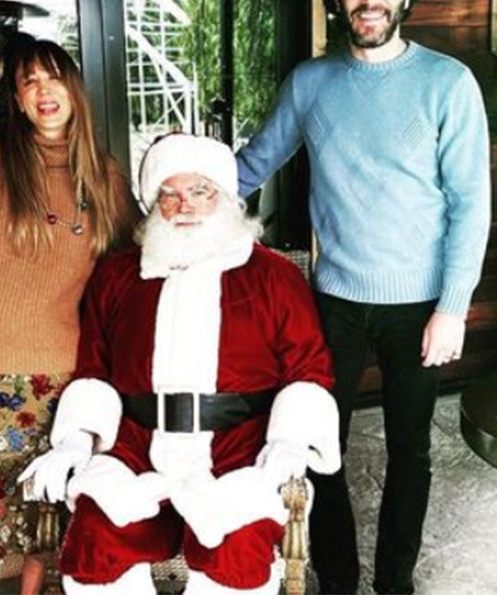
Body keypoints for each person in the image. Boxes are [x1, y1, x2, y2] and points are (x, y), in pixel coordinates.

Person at [234, 0, 492, 593]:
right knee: (321, 447)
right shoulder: (312, 83)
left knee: (411, 451)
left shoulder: (447, 83)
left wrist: (453, 309)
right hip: (335, 304)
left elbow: (470, 203)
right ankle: (339, 580)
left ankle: (394, 583)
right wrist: (181, 191)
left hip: (421, 306)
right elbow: (255, 162)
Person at [18, 134, 341, 595]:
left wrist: (290, 442)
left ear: (225, 197)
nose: (183, 205)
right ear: (154, 204)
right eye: (169, 193)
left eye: (199, 191)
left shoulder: (273, 276)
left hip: (237, 448)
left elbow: (308, 370)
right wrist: (74, 441)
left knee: (237, 554)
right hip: (136, 446)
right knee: (96, 544)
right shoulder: (118, 276)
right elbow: (94, 369)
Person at [0, 35, 137, 594]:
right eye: (29, 82)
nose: (44, 91)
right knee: (7, 512)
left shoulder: (106, 176)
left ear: (74, 90)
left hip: (73, 378)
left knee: (67, 510)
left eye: (54, 78)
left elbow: (132, 266)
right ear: (18, 100)